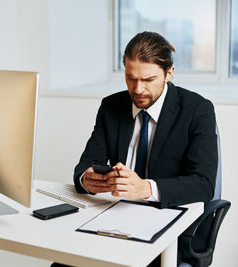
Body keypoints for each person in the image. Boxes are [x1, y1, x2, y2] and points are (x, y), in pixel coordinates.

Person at [71, 31, 218, 266]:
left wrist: (145, 188)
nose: (138, 89)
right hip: (113, 218)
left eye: (148, 80)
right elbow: (85, 165)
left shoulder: (197, 110)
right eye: (130, 78)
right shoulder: (111, 106)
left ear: (169, 73)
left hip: (169, 224)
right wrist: (85, 179)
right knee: (64, 261)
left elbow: (204, 184)